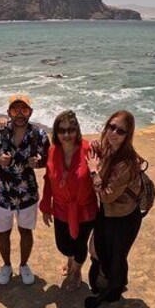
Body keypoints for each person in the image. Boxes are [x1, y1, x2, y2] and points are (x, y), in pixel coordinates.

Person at [0, 94, 50, 285]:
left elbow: (49, 160)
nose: (19, 114)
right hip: (1, 193)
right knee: (3, 232)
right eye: (15, 109)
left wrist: (38, 163)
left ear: (31, 112)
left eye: (24, 109)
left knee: (25, 231)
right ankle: (6, 265)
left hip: (27, 193)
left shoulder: (39, 135)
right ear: (8, 112)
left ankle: (23, 265)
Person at [84, 110, 144, 308]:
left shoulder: (127, 162)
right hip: (108, 213)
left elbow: (106, 194)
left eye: (120, 131)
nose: (113, 133)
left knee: (116, 256)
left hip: (124, 217)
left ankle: (113, 292)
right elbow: (103, 152)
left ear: (128, 135)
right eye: (111, 127)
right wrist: (97, 148)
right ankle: (111, 284)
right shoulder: (110, 148)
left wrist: (94, 170)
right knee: (101, 250)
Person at [40, 110, 98, 291]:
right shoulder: (52, 151)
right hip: (60, 208)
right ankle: (70, 258)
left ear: (77, 130)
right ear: (56, 133)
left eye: (71, 130)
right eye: (62, 130)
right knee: (64, 246)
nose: (67, 135)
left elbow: (104, 168)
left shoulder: (88, 149)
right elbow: (48, 179)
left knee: (80, 246)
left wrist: (102, 148)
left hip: (85, 209)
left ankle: (76, 272)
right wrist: (45, 206)